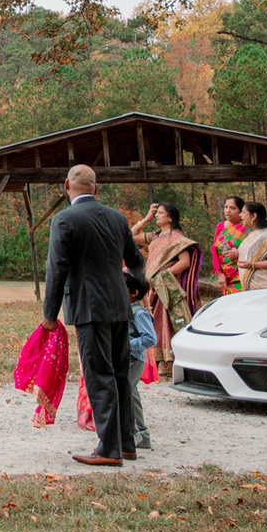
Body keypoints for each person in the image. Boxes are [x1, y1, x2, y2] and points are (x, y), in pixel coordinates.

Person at [41, 164, 145, 468]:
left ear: (66, 186)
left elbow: (56, 269)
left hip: (88, 307)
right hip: (119, 306)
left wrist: (50, 314)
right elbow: (136, 261)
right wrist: (137, 289)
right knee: (120, 376)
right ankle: (126, 444)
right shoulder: (117, 218)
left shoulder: (64, 220)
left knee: (99, 376)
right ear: (95, 188)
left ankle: (109, 449)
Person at [131, 202, 199, 377]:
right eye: (156, 213)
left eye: (160, 213)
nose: (157, 216)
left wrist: (164, 275)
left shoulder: (177, 238)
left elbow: (185, 262)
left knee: (167, 321)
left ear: (170, 217)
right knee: (154, 321)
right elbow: (130, 235)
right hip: (153, 286)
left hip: (168, 286)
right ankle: (157, 362)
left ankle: (170, 362)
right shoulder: (155, 236)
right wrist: (145, 218)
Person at [123, 273, 157, 454]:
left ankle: (136, 434)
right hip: (127, 360)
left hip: (134, 360)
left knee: (127, 395)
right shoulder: (125, 309)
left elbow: (151, 339)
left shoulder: (140, 313)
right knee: (131, 395)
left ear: (134, 293)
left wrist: (128, 346)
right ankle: (143, 436)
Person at [210, 196, 249, 294]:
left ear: (240, 211)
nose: (228, 211)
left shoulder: (246, 227)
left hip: (242, 274)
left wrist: (239, 253)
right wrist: (219, 273)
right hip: (225, 277)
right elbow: (214, 249)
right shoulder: (221, 226)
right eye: (226, 207)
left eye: (232, 208)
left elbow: (254, 251)